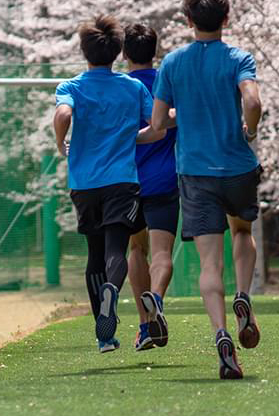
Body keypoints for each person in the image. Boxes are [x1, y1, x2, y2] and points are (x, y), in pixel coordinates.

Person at [138, 0, 263, 380]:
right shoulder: (239, 58)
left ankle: (221, 335)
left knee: (210, 263)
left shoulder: (173, 64)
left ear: (188, 20)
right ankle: (244, 295)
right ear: (226, 18)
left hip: (194, 172)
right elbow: (254, 101)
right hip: (238, 166)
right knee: (242, 232)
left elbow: (158, 125)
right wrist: (251, 127)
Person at [53, 16, 154, 353]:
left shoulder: (71, 87)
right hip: (122, 181)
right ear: (116, 52)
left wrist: (59, 142)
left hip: (85, 182)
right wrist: (129, 137)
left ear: (85, 51)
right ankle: (114, 287)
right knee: (116, 248)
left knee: (94, 253)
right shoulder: (133, 87)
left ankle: (105, 335)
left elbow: (64, 115)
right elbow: (156, 128)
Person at [122, 22, 178, 352]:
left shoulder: (121, 87)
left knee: (135, 250)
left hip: (128, 180)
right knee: (162, 254)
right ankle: (156, 297)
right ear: (155, 51)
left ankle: (145, 326)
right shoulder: (166, 83)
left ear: (124, 53)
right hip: (166, 178)